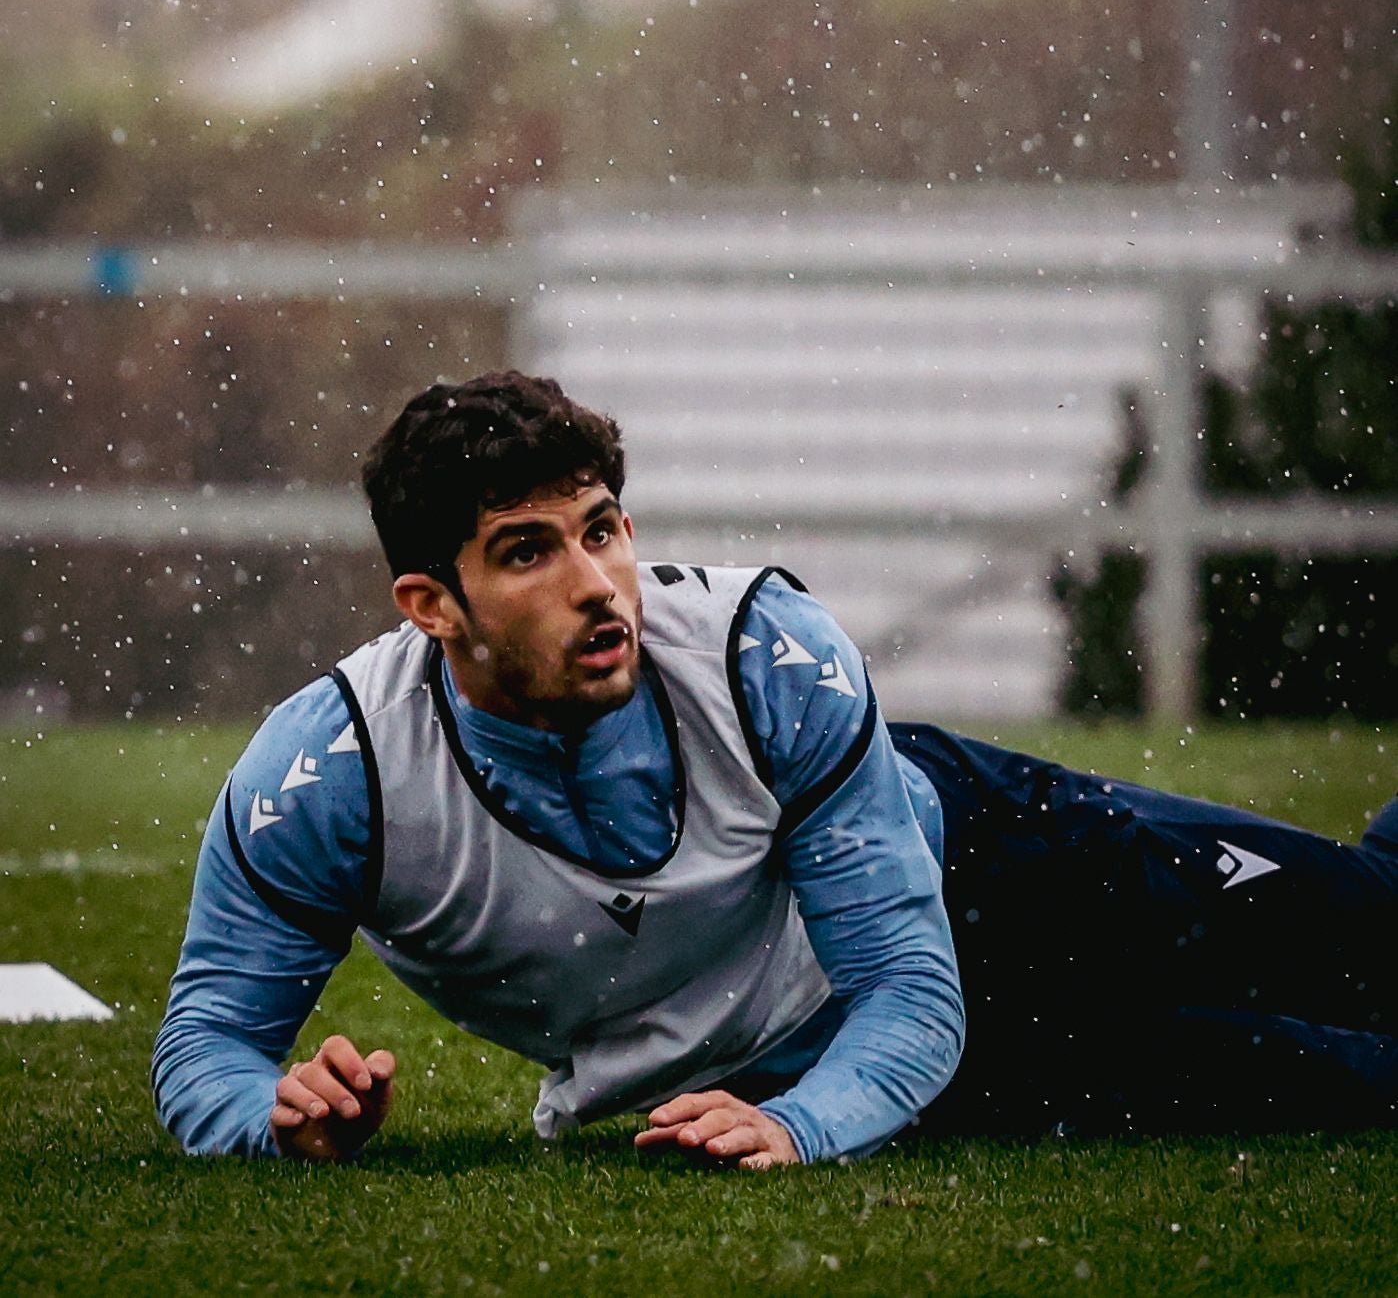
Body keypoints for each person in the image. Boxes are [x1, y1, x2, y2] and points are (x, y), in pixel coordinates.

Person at [152, 372, 1398, 1165]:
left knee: (1372, 925)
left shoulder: (763, 651)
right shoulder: (331, 773)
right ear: (431, 602)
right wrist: (275, 1115)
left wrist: (799, 1129)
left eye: (602, 528)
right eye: (528, 551)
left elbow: (907, 985)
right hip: (833, 1063)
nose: (596, 584)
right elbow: (203, 1045)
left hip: (999, 866)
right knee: (1346, 1081)